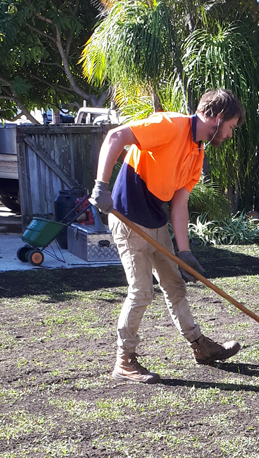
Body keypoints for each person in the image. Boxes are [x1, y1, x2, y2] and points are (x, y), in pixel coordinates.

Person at [91, 89, 244, 383]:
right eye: (231, 127)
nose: (230, 134)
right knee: (141, 291)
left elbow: (179, 204)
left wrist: (184, 252)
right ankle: (124, 361)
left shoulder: (197, 153)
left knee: (175, 286)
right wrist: (101, 186)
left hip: (156, 222)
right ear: (219, 117)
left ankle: (200, 347)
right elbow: (115, 137)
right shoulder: (170, 125)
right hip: (127, 216)